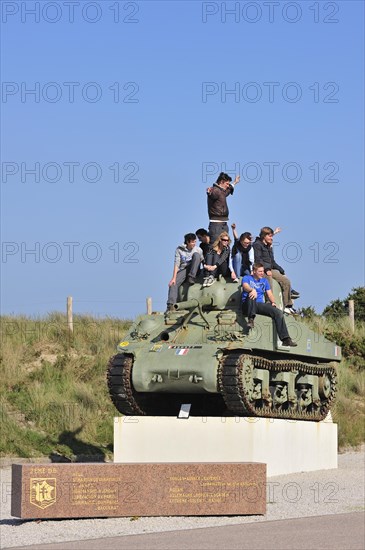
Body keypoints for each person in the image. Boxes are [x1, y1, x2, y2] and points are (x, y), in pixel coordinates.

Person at [241, 263, 297, 347]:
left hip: (259, 305)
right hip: (247, 305)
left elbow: (269, 294)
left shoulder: (264, 281)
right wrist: (252, 290)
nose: (262, 273)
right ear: (254, 271)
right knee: (251, 295)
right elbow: (245, 286)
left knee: (278, 313)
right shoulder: (247, 278)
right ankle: (251, 319)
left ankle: (285, 339)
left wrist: (273, 302)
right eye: (260, 271)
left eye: (263, 271)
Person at [252, 227, 299, 314]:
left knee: (285, 280)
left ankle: (287, 306)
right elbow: (258, 259)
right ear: (264, 236)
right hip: (260, 269)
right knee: (268, 278)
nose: (271, 238)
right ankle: (269, 303)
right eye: (270, 236)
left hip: (270, 268)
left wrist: (282, 271)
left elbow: (272, 261)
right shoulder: (257, 245)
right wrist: (266, 269)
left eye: (272, 236)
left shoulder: (268, 246)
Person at [166, 233, 204, 311]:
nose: (194, 244)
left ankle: (191, 277)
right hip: (184, 270)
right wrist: (173, 278)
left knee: (196, 255)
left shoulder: (198, 250)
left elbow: (203, 261)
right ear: (187, 242)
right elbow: (176, 264)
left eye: (195, 241)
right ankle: (171, 305)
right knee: (173, 283)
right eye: (192, 242)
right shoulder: (179, 250)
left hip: (195, 270)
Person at [206, 172, 240, 242]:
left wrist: (234, 182)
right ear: (221, 182)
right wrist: (209, 192)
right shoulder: (215, 190)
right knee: (215, 247)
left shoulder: (222, 192)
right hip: (216, 225)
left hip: (224, 224)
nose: (228, 186)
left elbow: (228, 191)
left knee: (224, 248)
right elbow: (212, 194)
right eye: (227, 184)